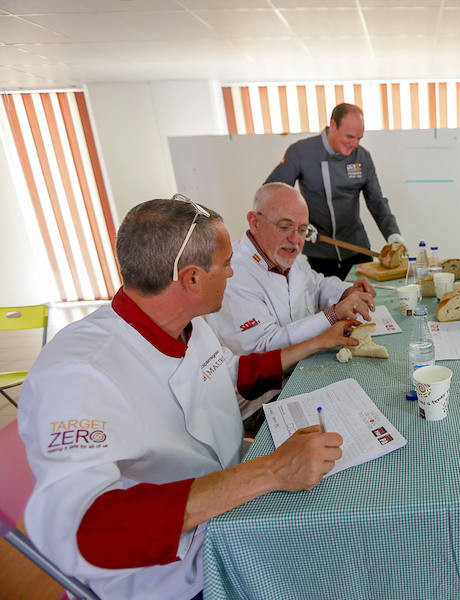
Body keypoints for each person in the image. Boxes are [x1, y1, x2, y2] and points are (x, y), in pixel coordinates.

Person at [18, 196, 360, 600]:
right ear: (192, 278)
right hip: (170, 573)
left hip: (226, 504)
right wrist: (270, 470)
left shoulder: (188, 325)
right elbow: (87, 529)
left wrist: (316, 343)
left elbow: (231, 374)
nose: (234, 272)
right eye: (227, 263)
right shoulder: (80, 373)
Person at [206, 182, 376, 359]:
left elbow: (317, 285)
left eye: (302, 229)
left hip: (308, 363)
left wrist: (346, 292)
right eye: (285, 226)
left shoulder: (284, 255)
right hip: (276, 385)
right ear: (255, 222)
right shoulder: (232, 274)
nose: (295, 239)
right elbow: (262, 348)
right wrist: (332, 315)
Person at [265, 103, 406, 279]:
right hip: (320, 254)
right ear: (332, 125)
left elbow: (376, 201)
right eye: (350, 136)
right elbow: (272, 194)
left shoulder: (362, 157)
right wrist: (298, 226)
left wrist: (393, 235)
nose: (355, 144)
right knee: (331, 304)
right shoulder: (301, 152)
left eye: (359, 138)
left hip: (357, 250)